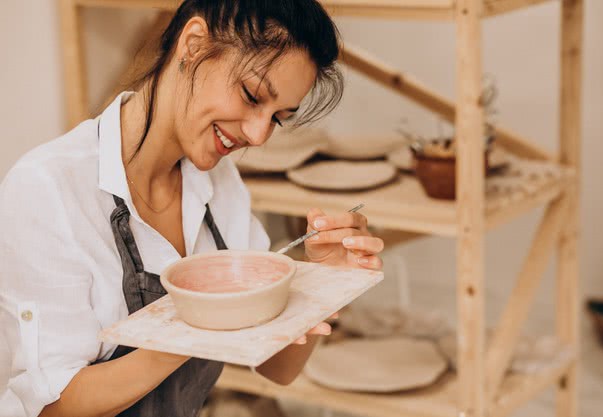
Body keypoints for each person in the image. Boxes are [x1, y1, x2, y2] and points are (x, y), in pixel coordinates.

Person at [0, 1, 384, 416]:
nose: (258, 136)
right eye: (252, 96)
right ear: (194, 45)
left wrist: (323, 285)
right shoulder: (49, 189)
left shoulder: (220, 187)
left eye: (277, 117)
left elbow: (279, 366)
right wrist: (192, 327)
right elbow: (52, 408)